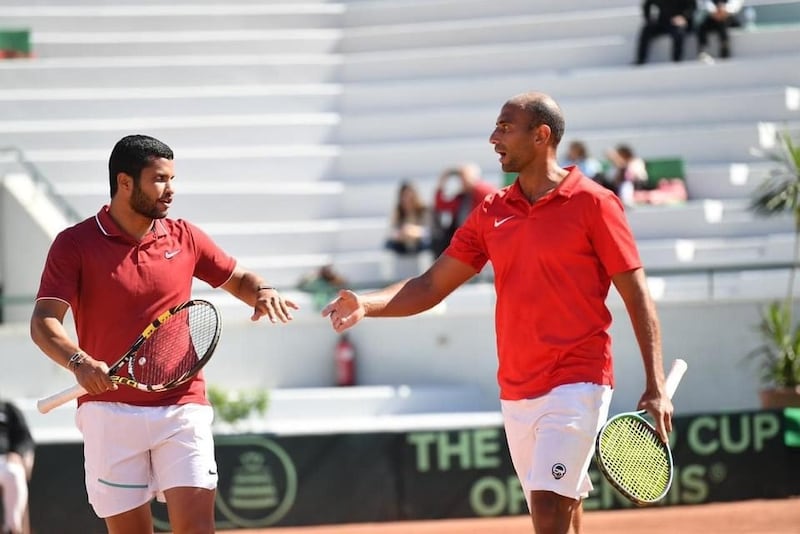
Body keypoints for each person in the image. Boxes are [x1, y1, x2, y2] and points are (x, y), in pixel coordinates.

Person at [321, 92, 673, 534]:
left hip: (577, 380)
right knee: (562, 506)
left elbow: (637, 296)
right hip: (517, 389)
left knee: (547, 509)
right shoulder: (491, 211)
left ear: (541, 135)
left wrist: (654, 383)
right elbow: (430, 286)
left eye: (505, 127)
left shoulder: (595, 203)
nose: (493, 138)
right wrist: (366, 305)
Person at [29, 134, 299, 534]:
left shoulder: (184, 235)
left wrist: (261, 291)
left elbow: (237, 277)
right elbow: (44, 321)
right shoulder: (74, 244)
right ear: (125, 182)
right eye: (159, 179)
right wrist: (79, 361)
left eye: (172, 179)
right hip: (108, 414)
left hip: (182, 407)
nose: (171, 190)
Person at [430, 163, 497, 258]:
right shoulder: (462, 198)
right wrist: (443, 179)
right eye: (461, 178)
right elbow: (441, 204)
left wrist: (470, 180)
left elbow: (490, 194)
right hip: (465, 245)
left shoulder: (482, 191)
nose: (462, 181)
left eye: (463, 177)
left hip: (481, 245)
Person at [0, 398, 34, 534]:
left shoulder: (7, 408)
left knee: (13, 473)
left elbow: (24, 438)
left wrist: (17, 453)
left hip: (5, 460)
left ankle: (12, 528)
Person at [635, 0, 697, 65]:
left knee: (678, 33)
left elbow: (693, 6)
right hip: (663, 21)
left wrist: (684, 17)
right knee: (646, 29)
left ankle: (677, 61)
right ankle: (640, 60)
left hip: (680, 22)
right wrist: (649, 19)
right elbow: (646, 5)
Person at [384, 180, 431, 255]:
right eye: (404, 196)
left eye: (410, 197)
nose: (407, 200)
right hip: (403, 245)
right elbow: (391, 232)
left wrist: (414, 231)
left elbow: (429, 232)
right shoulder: (398, 212)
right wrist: (400, 234)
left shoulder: (423, 210)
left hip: (419, 245)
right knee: (388, 244)